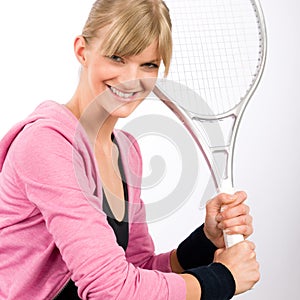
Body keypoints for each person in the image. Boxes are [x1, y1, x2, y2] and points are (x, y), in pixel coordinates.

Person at [0, 0, 259, 299]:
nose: (130, 79)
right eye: (117, 58)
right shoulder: (46, 144)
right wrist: (222, 279)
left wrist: (204, 241)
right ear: (82, 51)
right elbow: (111, 289)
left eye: (148, 64)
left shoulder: (126, 151)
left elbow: (137, 269)